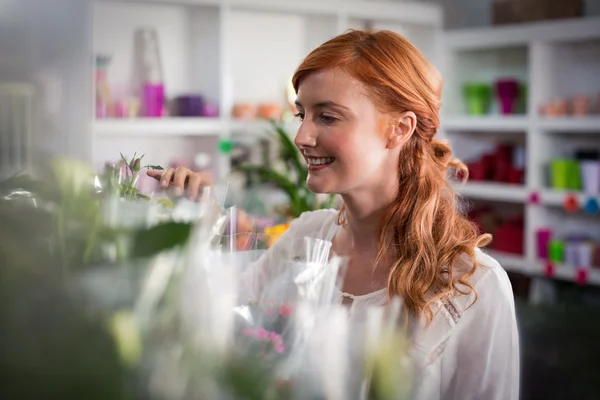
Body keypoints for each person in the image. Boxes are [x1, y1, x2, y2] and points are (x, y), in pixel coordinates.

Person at [149, 29, 519, 400]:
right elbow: (216, 337)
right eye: (302, 114)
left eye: (327, 117)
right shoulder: (302, 241)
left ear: (399, 129)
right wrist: (192, 226)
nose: (301, 136)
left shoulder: (474, 287)